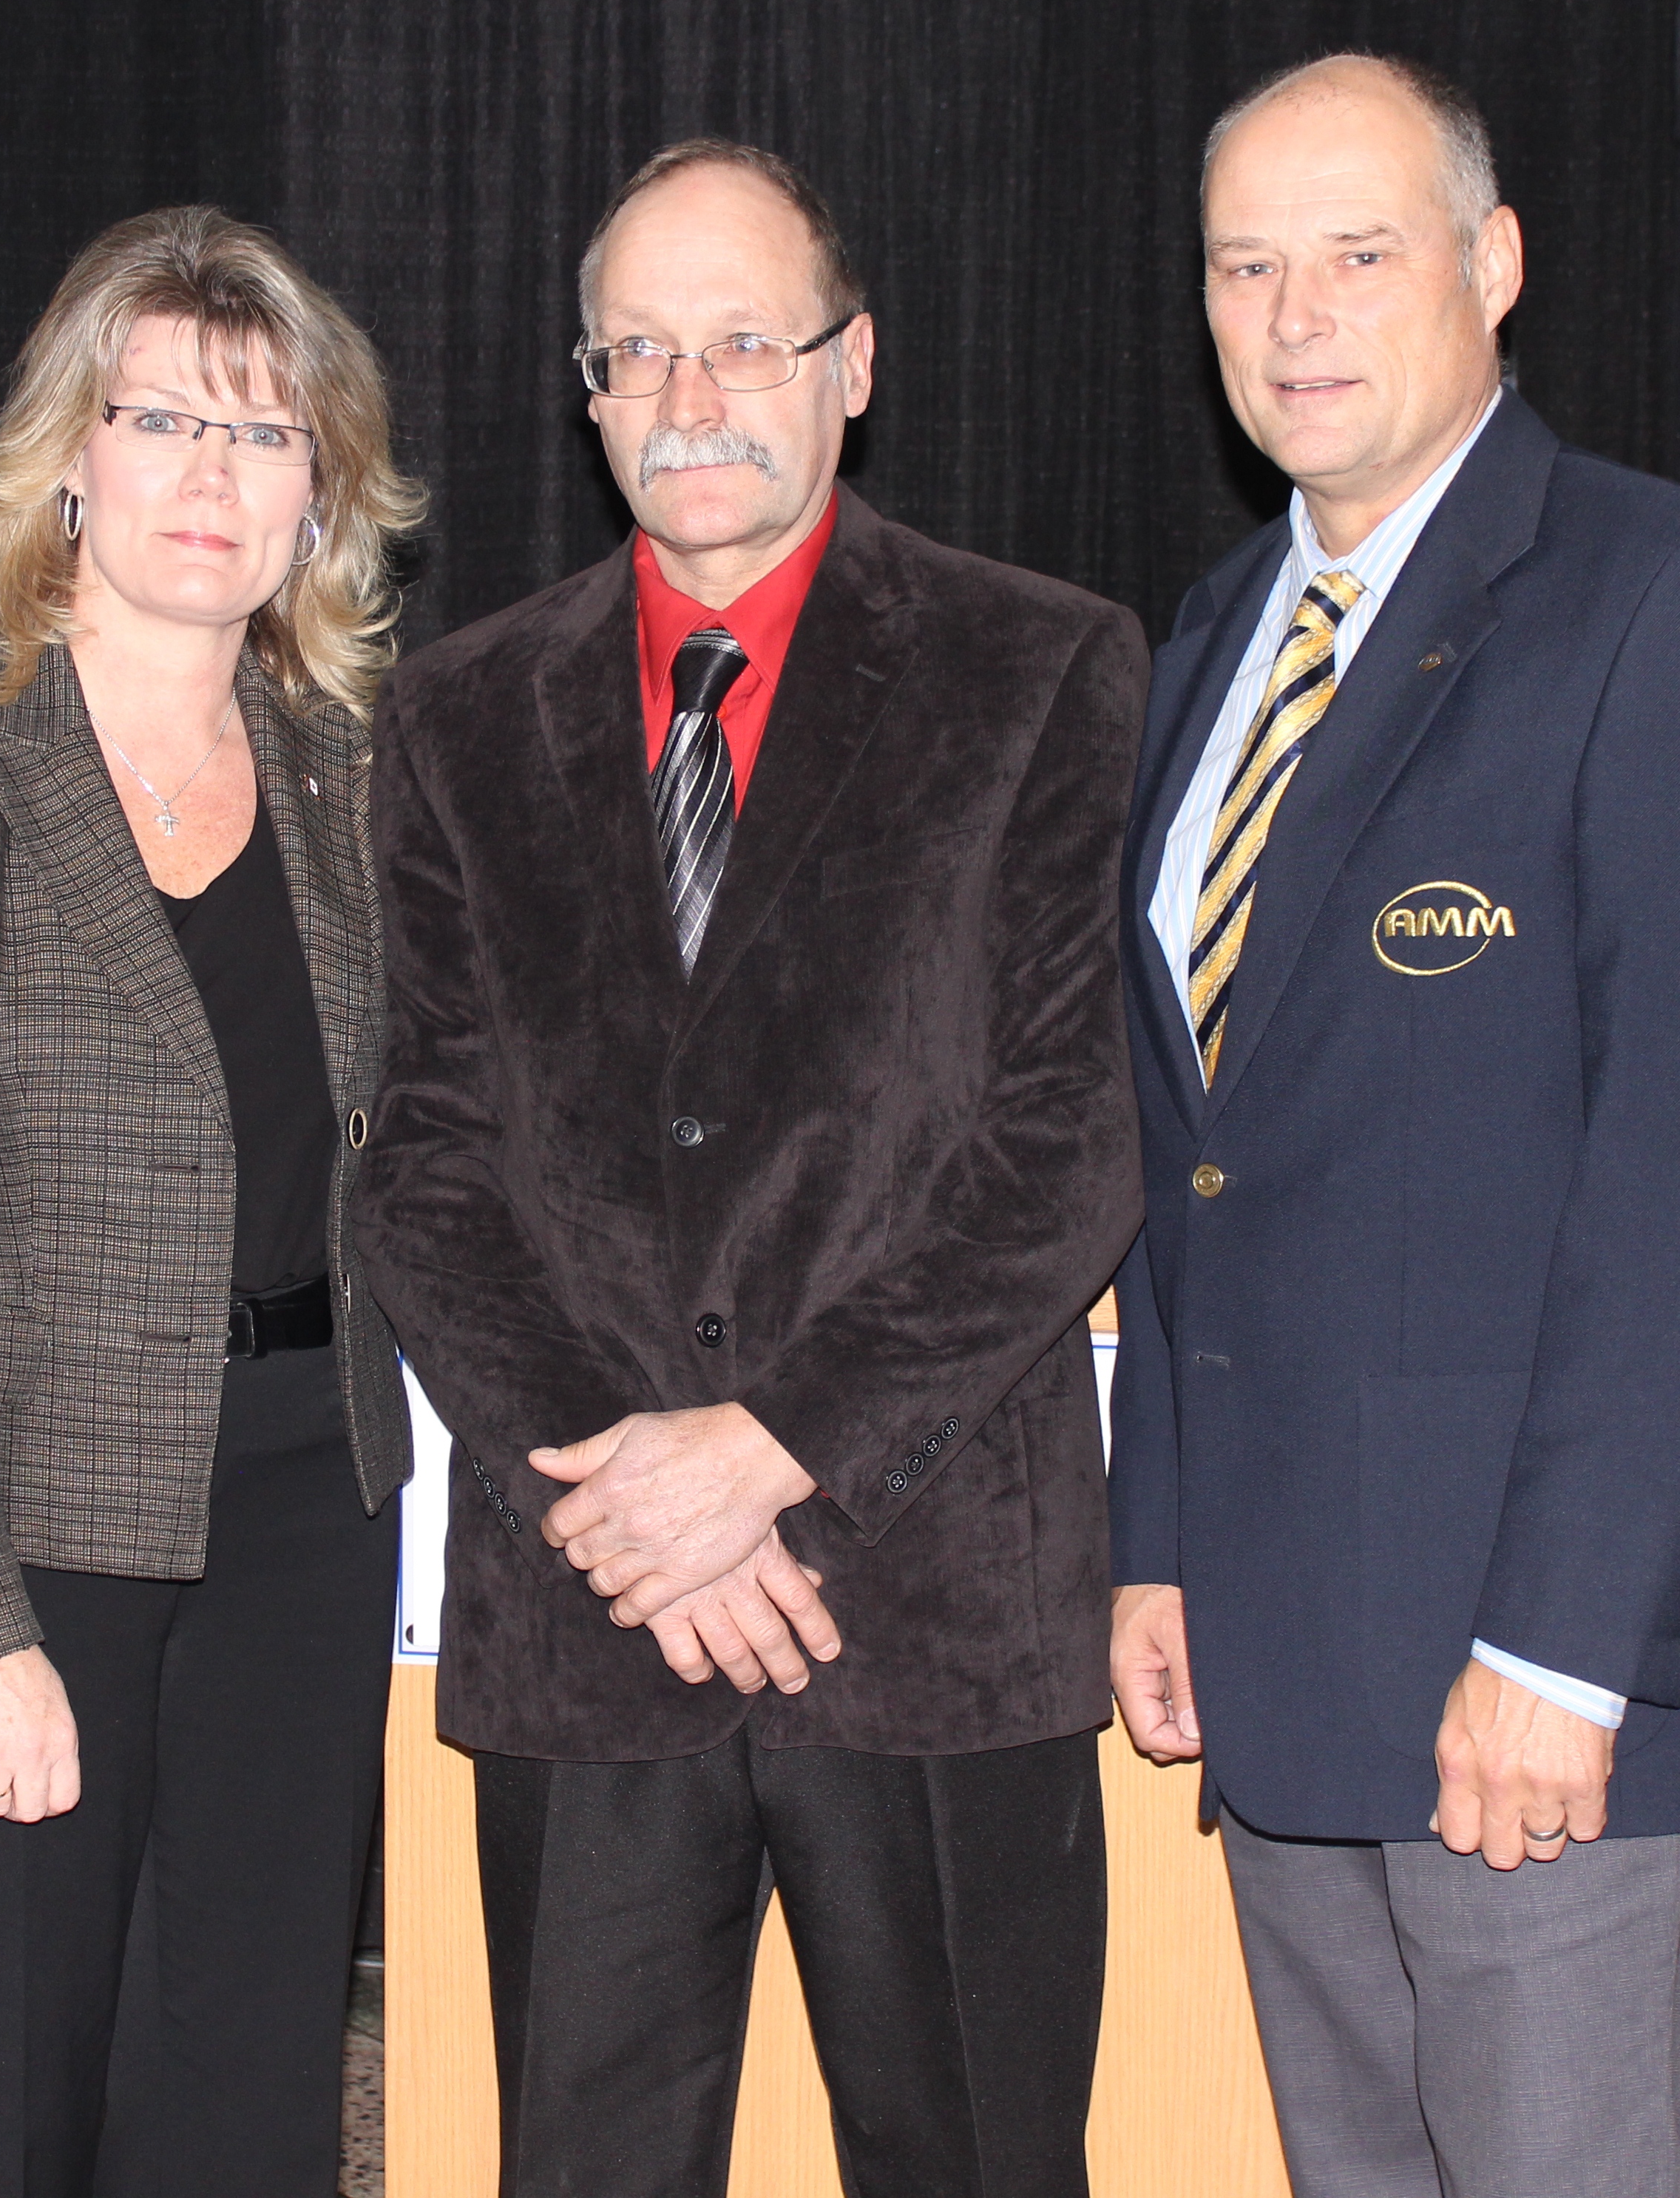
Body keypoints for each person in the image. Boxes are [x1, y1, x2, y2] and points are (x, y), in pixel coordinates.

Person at [354, 140, 1147, 2197]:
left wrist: (771, 1447)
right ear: (586, 391)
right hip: (588, 1616)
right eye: (640, 352)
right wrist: (639, 1501)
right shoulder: (450, 719)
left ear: (851, 363)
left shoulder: (1042, 668)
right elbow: (426, 1166)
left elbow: (1066, 1139)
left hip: (936, 1610)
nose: (690, 396)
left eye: (744, 341)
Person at [1105, 55, 1680, 2198]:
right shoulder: (1205, 651)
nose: (1298, 315)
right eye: (1247, 266)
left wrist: (1565, 1650)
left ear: (1494, 266)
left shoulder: (1672, 601)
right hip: (1282, 1669)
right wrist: (1159, 1532)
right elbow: (1193, 1160)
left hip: (1541, 1704)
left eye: (1361, 253)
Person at [0, 204, 422, 2197]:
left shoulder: (355, 773)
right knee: (15, 2099)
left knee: (253, 2081)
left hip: (310, 1505)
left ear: (326, 493)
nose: (213, 475)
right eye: (160, 419)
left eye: (266, 433)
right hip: (7, 1522)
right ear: (64, 461)